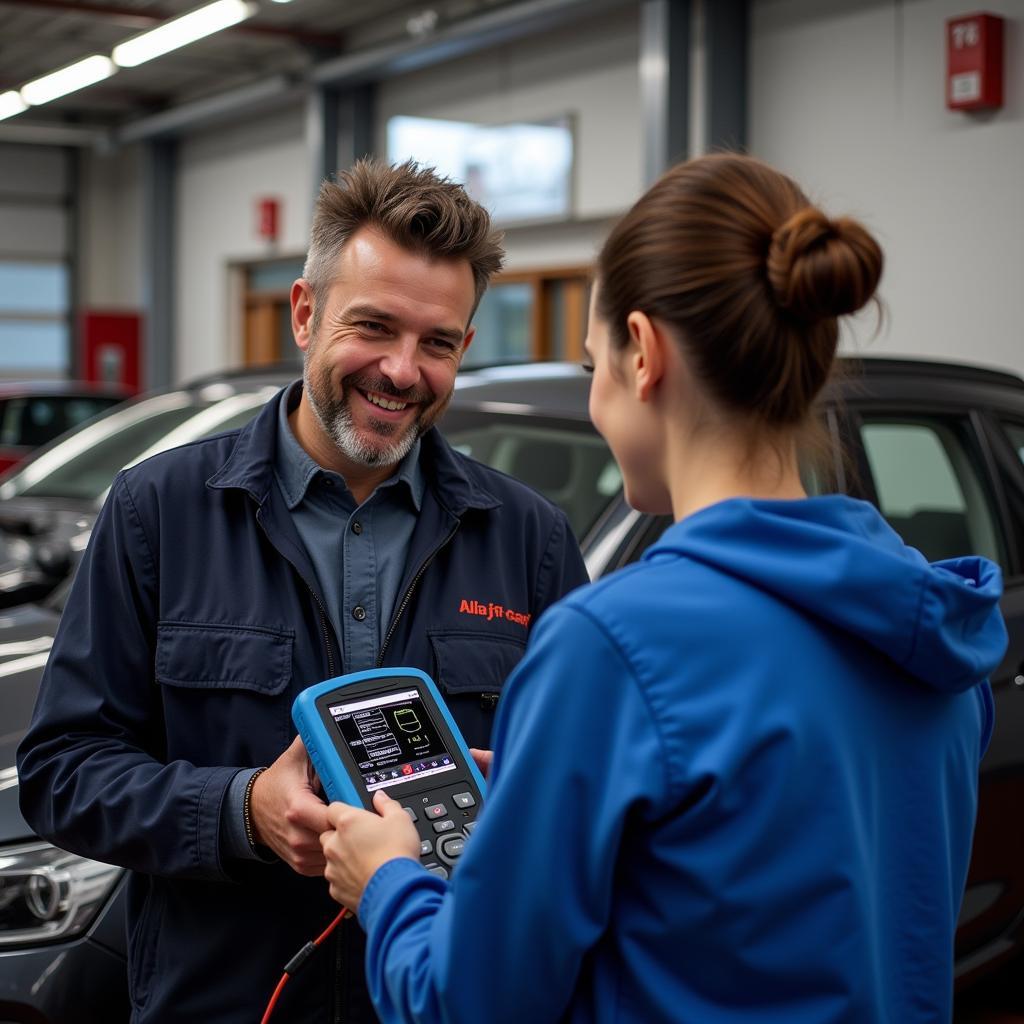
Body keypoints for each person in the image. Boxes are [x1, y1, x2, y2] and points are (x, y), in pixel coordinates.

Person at [318, 153, 1007, 1023]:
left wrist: (387, 882)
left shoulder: (614, 649)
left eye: (590, 367)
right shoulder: (932, 624)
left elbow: (467, 999)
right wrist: (556, 775)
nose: (599, 401)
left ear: (642, 355)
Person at [16, 159, 589, 1024]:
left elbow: (572, 800)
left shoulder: (529, 538)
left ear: (465, 348)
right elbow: (63, 774)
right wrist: (240, 811)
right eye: (374, 327)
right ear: (305, 312)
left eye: (437, 343)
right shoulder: (160, 512)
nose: (402, 370)